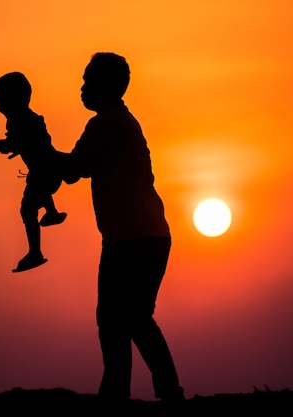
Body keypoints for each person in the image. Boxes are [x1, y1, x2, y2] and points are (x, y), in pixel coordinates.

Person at [62, 52, 185, 402]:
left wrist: (39, 154)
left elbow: (71, 170)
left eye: (88, 81)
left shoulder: (106, 124)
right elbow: (75, 168)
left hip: (132, 238)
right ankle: (144, 392)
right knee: (129, 319)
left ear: (106, 85)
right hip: (142, 235)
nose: (82, 88)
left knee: (124, 320)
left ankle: (133, 394)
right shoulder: (121, 121)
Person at [0, 72, 66, 273]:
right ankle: (52, 212)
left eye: (2, 103)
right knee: (37, 188)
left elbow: (6, 147)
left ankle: (35, 252)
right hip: (46, 171)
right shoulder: (30, 120)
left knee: (27, 209)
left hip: (45, 173)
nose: (0, 108)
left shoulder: (22, 122)